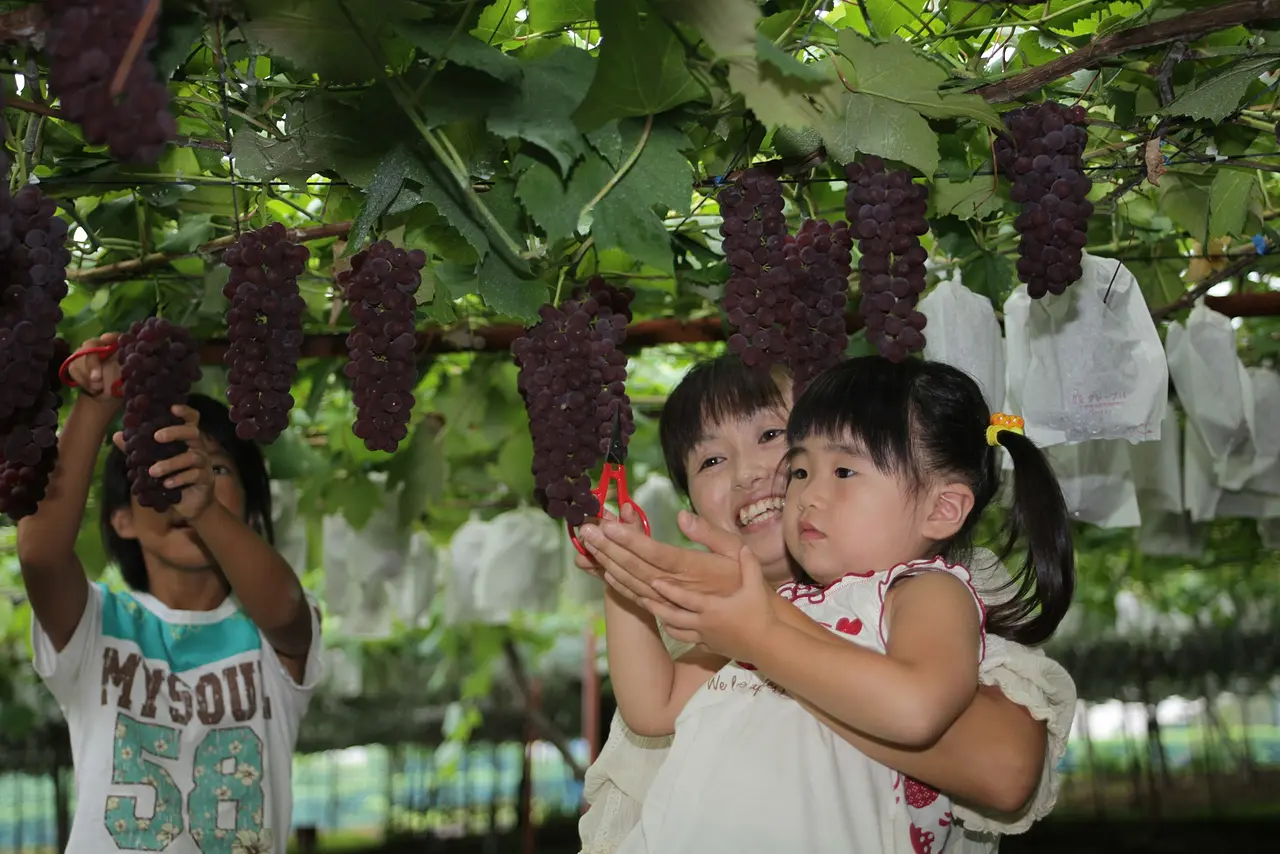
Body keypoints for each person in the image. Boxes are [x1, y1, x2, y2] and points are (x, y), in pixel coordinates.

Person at [575, 355, 1076, 853]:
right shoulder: (748, 614)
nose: (762, 477)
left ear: (941, 510)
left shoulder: (924, 591)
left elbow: (929, 715)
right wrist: (620, 576)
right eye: (801, 471)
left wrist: (760, 636)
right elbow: (651, 705)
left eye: (774, 440)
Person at [16, 332, 322, 854]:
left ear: (249, 513)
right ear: (121, 519)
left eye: (215, 467)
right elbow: (40, 555)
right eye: (159, 468)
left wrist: (205, 510)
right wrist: (97, 405)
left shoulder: (269, 633)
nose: (183, 483)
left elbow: (288, 610)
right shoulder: (95, 627)